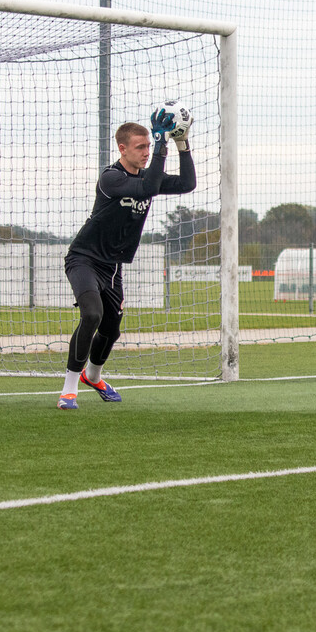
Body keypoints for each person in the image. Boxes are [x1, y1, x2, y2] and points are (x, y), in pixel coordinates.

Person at [57, 107, 196, 409]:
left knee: (112, 329)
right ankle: (69, 388)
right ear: (122, 148)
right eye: (141, 147)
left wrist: (181, 144)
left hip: (112, 267)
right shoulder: (111, 178)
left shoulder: (149, 175)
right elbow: (148, 188)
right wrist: (161, 144)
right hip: (83, 259)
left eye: (149, 146)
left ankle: (93, 376)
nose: (147, 152)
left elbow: (187, 184)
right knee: (91, 315)